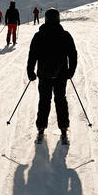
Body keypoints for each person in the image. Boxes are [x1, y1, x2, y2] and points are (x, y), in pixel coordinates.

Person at [27, 8, 77, 144]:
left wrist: (30, 71)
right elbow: (73, 54)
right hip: (61, 75)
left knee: (44, 101)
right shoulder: (65, 35)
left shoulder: (39, 36)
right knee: (60, 100)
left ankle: (41, 128)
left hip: (44, 75)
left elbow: (32, 55)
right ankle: (64, 129)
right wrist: (71, 70)